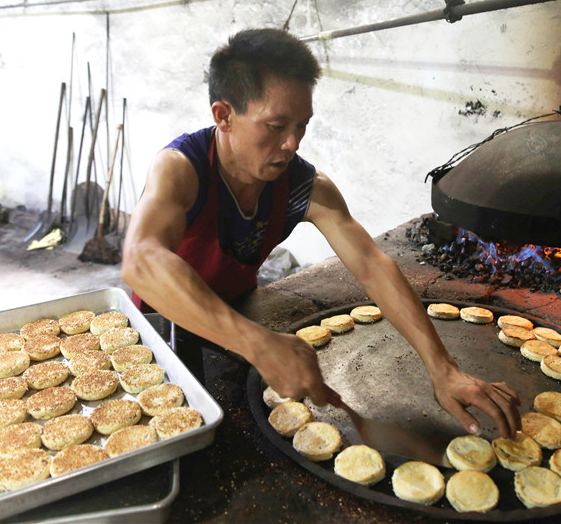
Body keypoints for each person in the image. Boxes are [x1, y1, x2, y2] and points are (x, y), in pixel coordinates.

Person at [121, 28, 521, 438]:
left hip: (237, 311)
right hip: (159, 326)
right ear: (223, 116)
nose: (292, 143)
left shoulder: (304, 187)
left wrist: (444, 369)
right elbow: (141, 260)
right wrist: (258, 343)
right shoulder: (180, 170)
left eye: (301, 125)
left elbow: (373, 265)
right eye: (275, 125)